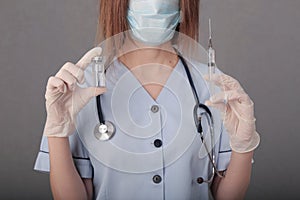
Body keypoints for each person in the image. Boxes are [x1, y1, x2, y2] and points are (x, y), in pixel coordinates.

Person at [34, 0, 260, 199]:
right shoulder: (80, 89)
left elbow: (228, 195)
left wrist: (243, 146)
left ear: (184, 6)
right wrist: (57, 131)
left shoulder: (212, 84)